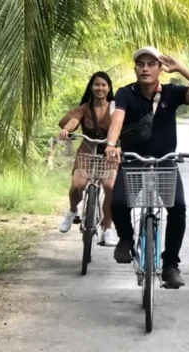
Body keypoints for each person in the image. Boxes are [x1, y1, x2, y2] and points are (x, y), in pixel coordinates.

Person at [105, 46, 189, 289]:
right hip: (133, 161)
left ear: (159, 69)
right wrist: (112, 144)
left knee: (178, 209)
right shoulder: (125, 93)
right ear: (135, 68)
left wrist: (181, 68)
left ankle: (170, 265)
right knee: (119, 203)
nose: (145, 68)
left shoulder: (171, 93)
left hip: (165, 162)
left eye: (151, 64)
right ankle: (125, 239)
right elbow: (117, 120)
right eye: (140, 64)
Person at [57, 72, 119, 246]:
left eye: (103, 85)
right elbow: (73, 120)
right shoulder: (85, 107)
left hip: (109, 151)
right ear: (91, 87)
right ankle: (72, 211)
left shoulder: (116, 108)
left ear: (109, 88)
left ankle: (107, 229)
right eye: (96, 85)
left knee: (110, 187)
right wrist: (67, 130)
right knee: (78, 184)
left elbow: (121, 124)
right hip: (87, 148)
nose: (100, 88)